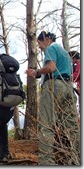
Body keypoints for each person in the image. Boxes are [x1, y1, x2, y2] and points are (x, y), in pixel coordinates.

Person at [25, 31, 80, 165]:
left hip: (53, 87)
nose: (39, 46)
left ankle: (46, 162)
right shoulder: (65, 53)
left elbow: (51, 67)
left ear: (47, 39)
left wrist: (36, 72)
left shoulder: (51, 48)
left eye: (39, 43)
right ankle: (77, 157)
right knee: (71, 126)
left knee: (46, 124)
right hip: (68, 87)